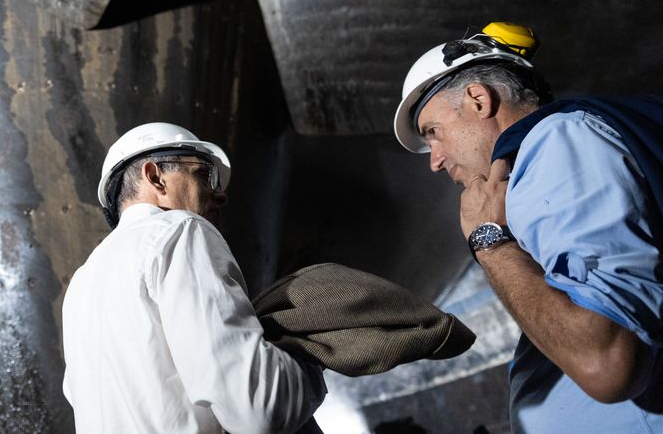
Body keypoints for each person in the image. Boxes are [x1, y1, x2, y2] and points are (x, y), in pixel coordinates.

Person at [393, 22, 663, 432]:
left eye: (434, 133)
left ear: (478, 99)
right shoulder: (561, 149)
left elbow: (606, 362)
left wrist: (490, 243)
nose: (436, 159)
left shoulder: (556, 142)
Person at [61, 122, 326, 434]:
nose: (221, 195)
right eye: (204, 175)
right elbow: (257, 407)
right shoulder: (179, 230)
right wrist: (312, 357)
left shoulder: (81, 284)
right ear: (155, 177)